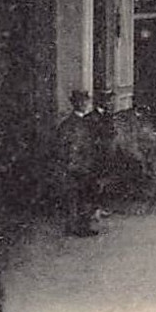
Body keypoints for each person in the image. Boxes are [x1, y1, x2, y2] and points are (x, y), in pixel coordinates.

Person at [55, 90, 101, 237]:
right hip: (76, 166)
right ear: (74, 103)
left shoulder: (86, 121)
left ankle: (81, 225)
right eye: (81, 102)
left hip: (85, 164)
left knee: (84, 196)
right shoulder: (68, 124)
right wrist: (72, 164)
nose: (84, 104)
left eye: (85, 102)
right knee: (76, 196)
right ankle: (77, 227)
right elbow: (65, 147)